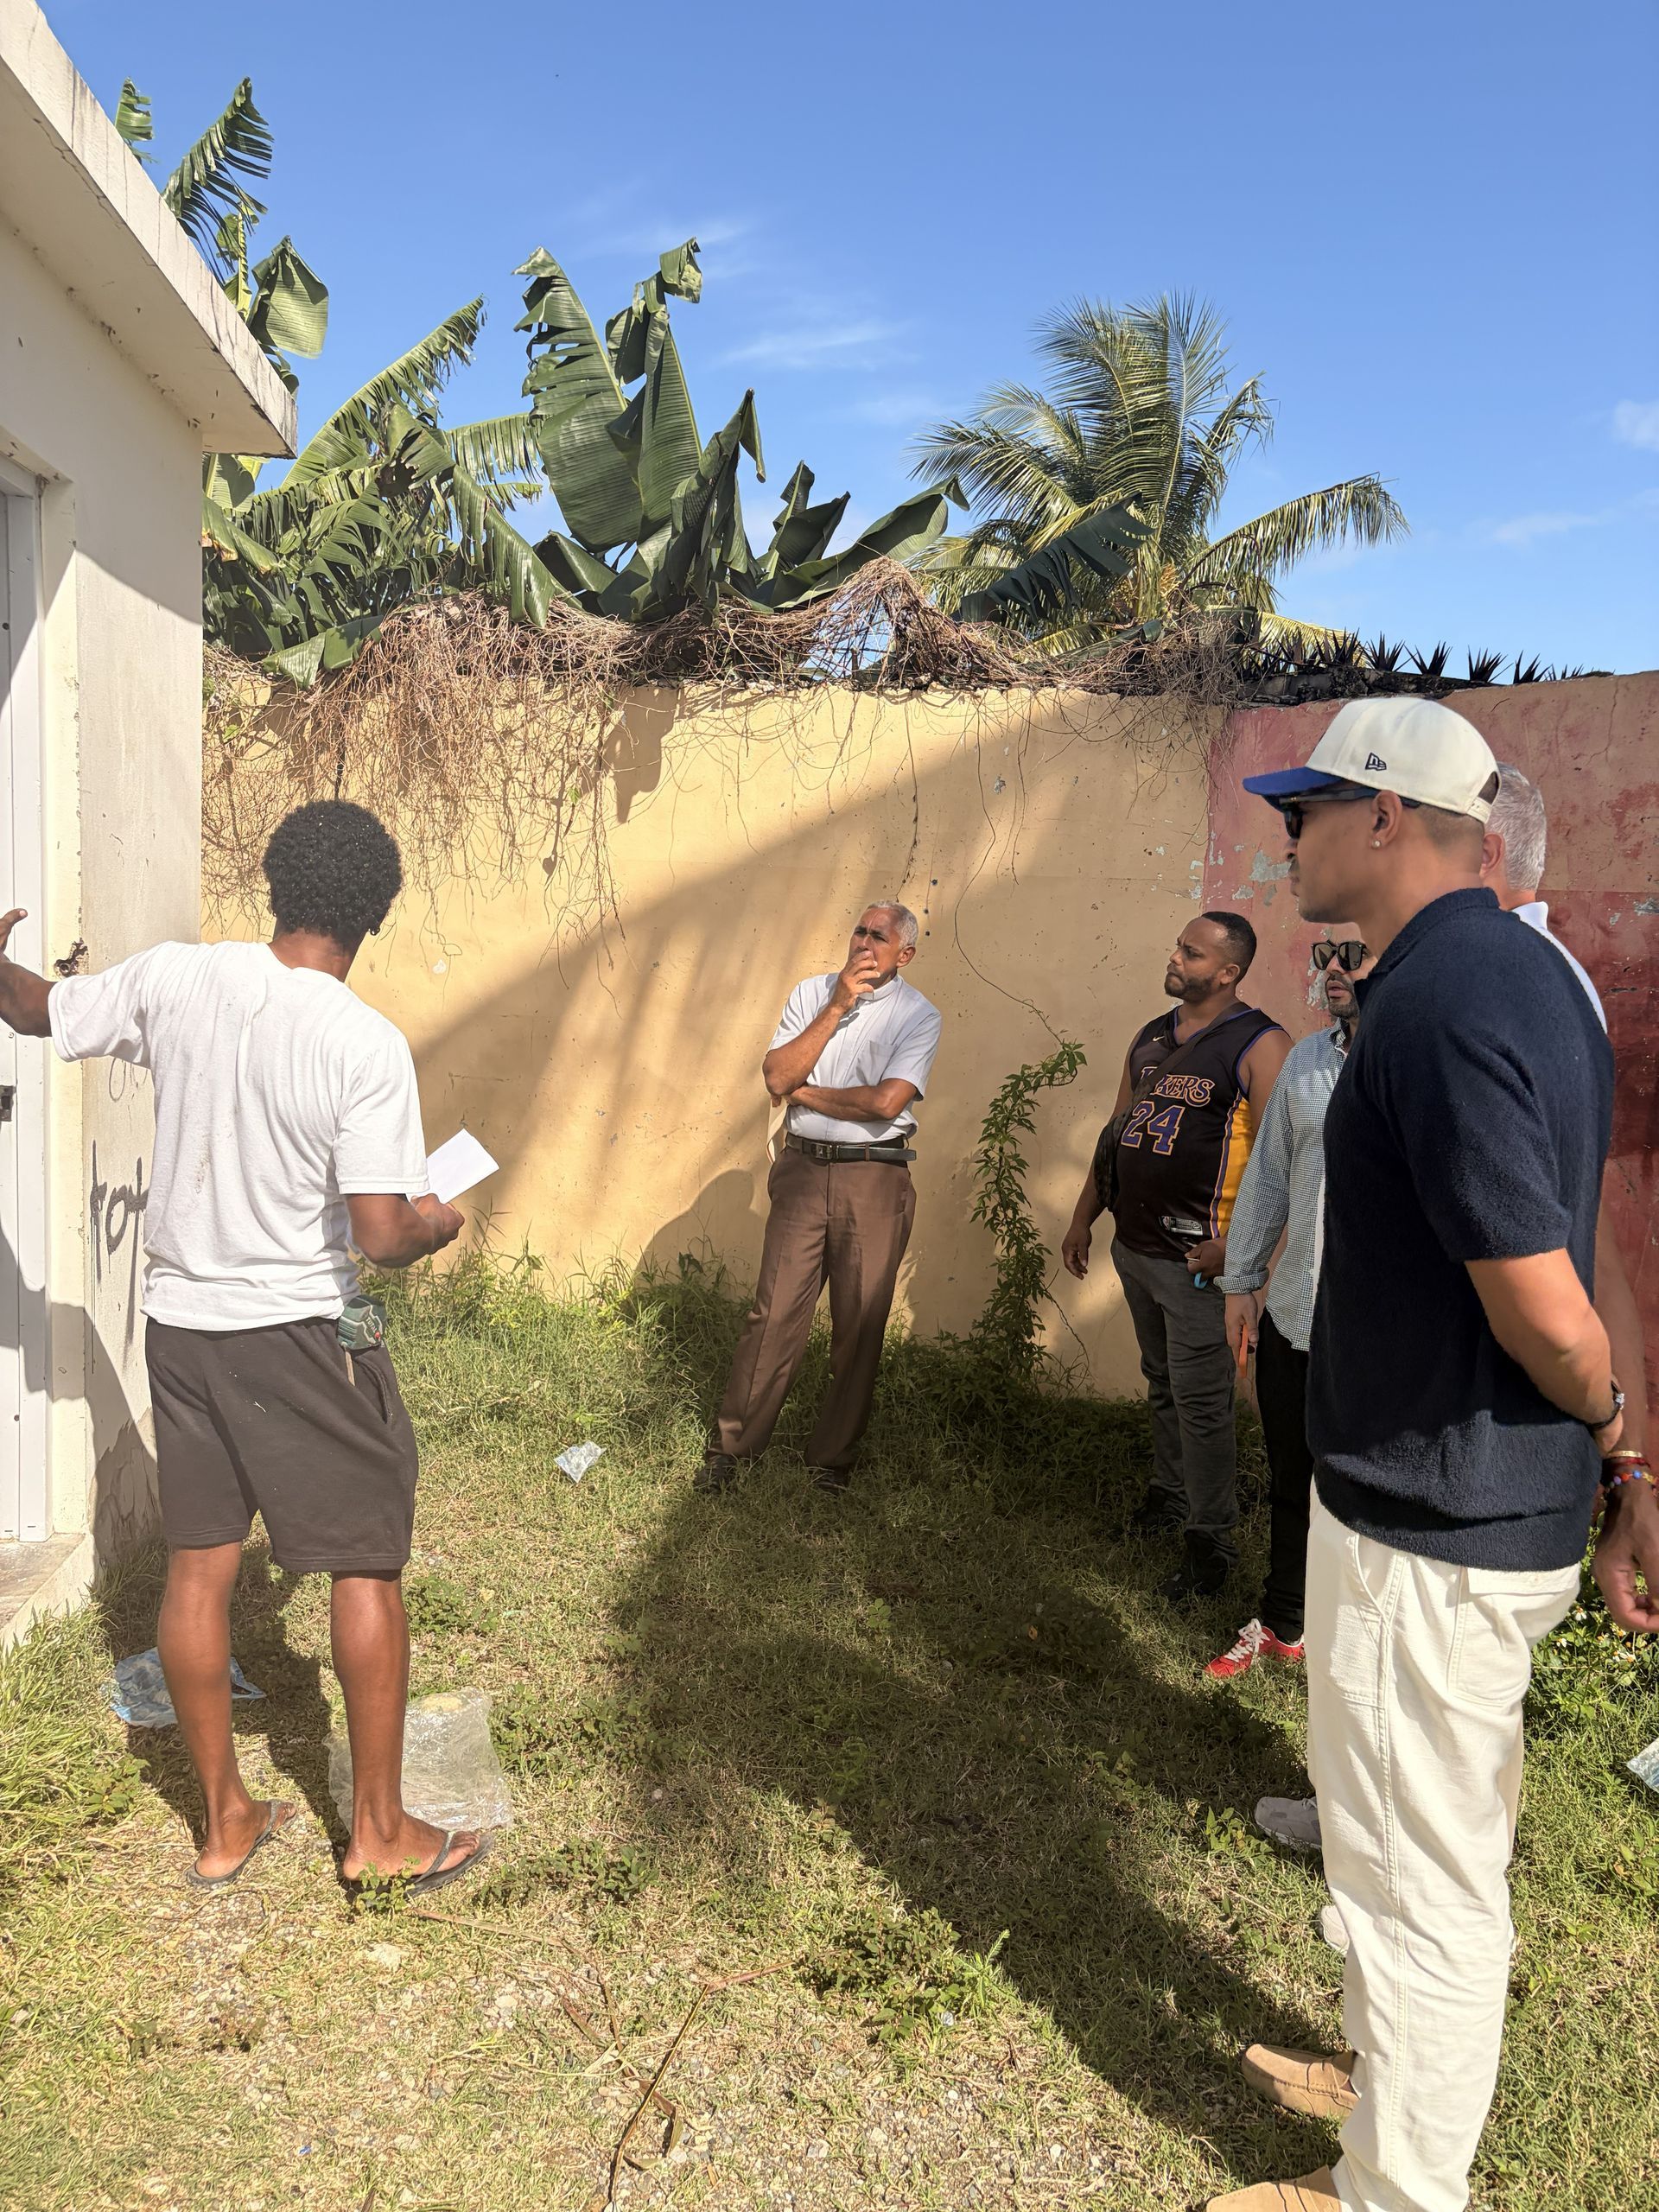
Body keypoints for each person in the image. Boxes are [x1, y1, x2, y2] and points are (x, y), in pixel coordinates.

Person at [1209, 696, 1659, 2212]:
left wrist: (1613, 1431)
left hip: (1437, 1527)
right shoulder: (1519, 975)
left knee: (1420, 1890)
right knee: (1398, 1843)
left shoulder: (1443, 1004)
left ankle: (1392, 2192)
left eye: (1305, 812)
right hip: (1431, 1508)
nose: (1290, 840)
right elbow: (1582, 1237)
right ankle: (1385, 2086)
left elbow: (1547, 1299)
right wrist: (1625, 1472)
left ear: (1386, 816)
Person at [0, 801, 484, 1897]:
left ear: (275, 882)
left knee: (200, 1563)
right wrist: (435, 1220)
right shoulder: (360, 1042)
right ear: (373, 912)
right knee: (366, 1562)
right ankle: (377, 1832)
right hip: (300, 1331)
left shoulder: (177, 978)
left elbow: (34, 1010)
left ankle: (225, 1823)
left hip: (180, 1323)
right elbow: (379, 1231)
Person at [1062, 913, 1290, 1602]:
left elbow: (1285, 1159)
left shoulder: (1260, 1043)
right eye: (1178, 945)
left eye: (1191, 952)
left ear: (1227, 972)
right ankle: (1167, 1497)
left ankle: (1210, 1543)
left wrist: (1243, 1249)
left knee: (1203, 1404)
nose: (1175, 957)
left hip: (1201, 1261)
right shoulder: (1152, 1037)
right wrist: (1083, 1216)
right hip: (1135, 1249)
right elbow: (1117, 1131)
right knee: (1161, 1381)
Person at [698, 901, 942, 1497]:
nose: (864, 943)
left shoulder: (919, 1015)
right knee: (773, 1314)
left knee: (860, 1325)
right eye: (859, 930)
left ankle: (830, 1463)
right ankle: (732, 1450)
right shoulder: (812, 994)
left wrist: (808, 1092)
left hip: (875, 1179)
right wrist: (837, 1007)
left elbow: (887, 1104)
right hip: (804, 1171)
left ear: (903, 954)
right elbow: (777, 1077)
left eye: (878, 936)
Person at [1210, 938, 1374, 1683]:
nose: (1332, 968)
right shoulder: (1308, 1060)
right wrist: (1241, 1283)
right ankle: (1284, 1622)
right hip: (1293, 1318)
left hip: (1379, 1343)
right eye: (1325, 953)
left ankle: (1359, 1647)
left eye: (1355, 952)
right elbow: (1271, 1175)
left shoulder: (1424, 1060)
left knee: (1368, 1504)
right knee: (1288, 1479)